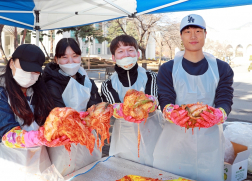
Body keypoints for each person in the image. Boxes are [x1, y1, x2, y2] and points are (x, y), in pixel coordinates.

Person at [153, 14, 233, 181]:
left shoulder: (222, 68)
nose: (193, 36)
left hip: (209, 142)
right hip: (175, 141)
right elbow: (165, 97)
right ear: (181, 36)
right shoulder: (167, 69)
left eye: (198, 30)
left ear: (205, 34)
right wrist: (169, 111)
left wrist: (220, 113)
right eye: (187, 31)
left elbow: (225, 98)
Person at [0, 44, 69, 181]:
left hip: (38, 167)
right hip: (5, 169)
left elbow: (49, 121)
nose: (30, 75)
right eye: (25, 69)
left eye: (35, 72)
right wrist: (40, 137)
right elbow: (8, 136)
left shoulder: (38, 92)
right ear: (11, 63)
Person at [43, 38, 102, 176]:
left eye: (75, 56)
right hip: (63, 140)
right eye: (65, 57)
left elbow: (96, 105)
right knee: (65, 174)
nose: (71, 61)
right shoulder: (50, 82)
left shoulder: (86, 79)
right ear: (57, 59)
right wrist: (86, 117)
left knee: (90, 173)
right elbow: (57, 114)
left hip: (87, 137)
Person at [101, 34, 163, 167]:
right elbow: (116, 109)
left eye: (130, 50)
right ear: (113, 57)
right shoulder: (108, 84)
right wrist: (138, 105)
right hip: (124, 137)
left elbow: (151, 103)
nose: (126, 55)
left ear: (137, 53)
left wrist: (147, 104)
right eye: (120, 51)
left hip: (152, 133)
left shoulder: (151, 77)